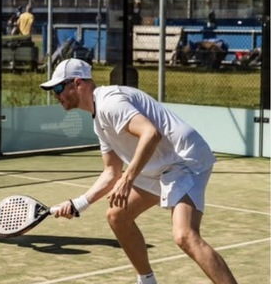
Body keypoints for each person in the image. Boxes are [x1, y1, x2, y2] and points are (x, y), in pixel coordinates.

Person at [39, 58, 237, 284]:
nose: (55, 94)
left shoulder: (110, 103)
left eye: (58, 88)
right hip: (159, 166)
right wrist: (77, 204)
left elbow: (150, 133)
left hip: (184, 159)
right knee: (117, 216)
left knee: (185, 235)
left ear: (78, 83)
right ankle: (147, 281)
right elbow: (111, 173)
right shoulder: (99, 121)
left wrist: (129, 178)